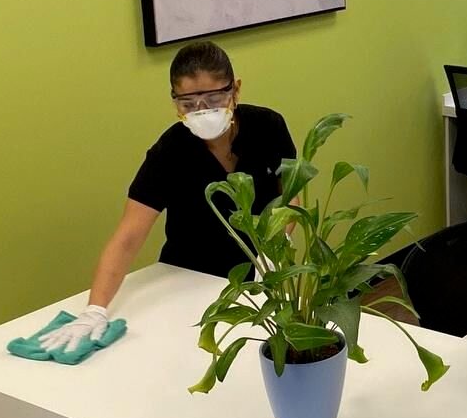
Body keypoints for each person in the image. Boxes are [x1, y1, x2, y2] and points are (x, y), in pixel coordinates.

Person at [41, 40, 296, 353]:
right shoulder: (171, 152)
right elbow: (128, 236)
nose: (202, 111)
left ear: (236, 90)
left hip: (263, 272)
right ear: (175, 102)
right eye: (189, 103)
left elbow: (291, 197)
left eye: (215, 98)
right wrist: (95, 310)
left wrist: (275, 249)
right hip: (187, 276)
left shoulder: (267, 126)